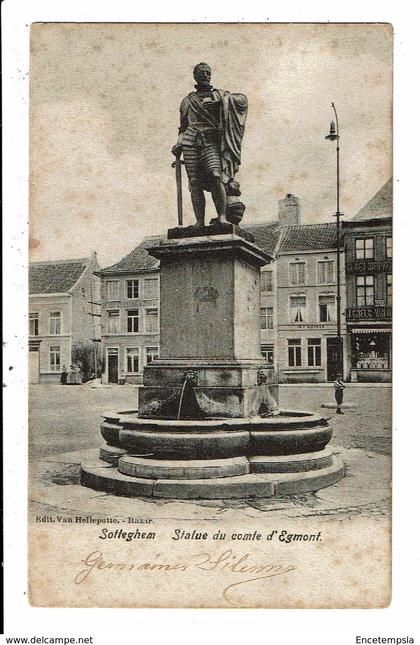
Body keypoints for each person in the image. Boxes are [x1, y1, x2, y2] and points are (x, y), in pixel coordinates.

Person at [172, 62, 248, 226]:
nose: (206, 75)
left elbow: (241, 100)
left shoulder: (219, 95)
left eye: (208, 73)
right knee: (194, 182)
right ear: (195, 76)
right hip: (190, 142)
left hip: (211, 140)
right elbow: (183, 127)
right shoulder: (187, 101)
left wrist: (220, 104)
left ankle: (221, 216)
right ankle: (200, 222)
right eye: (202, 73)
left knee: (215, 175)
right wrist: (178, 144)